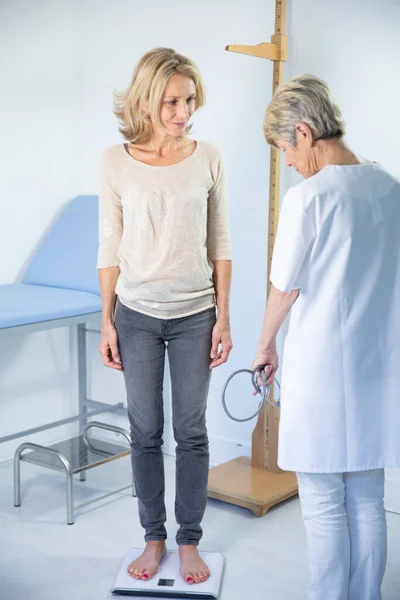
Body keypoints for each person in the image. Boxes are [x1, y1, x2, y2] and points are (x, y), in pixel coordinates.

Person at [252, 74, 400, 600]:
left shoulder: (309, 197)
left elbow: (284, 288)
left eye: (284, 151)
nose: (288, 163)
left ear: (304, 132)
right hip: (377, 368)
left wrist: (264, 345)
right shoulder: (389, 186)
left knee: (320, 502)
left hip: (320, 372)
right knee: (365, 499)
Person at [97, 47, 232, 586]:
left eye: (189, 100)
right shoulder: (114, 160)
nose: (183, 112)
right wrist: (107, 321)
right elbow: (109, 246)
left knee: (191, 430)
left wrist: (224, 317)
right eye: (172, 100)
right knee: (145, 431)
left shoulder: (208, 157)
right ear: (147, 100)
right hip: (134, 315)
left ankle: (189, 540)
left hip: (196, 313)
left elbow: (220, 241)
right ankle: (154, 538)